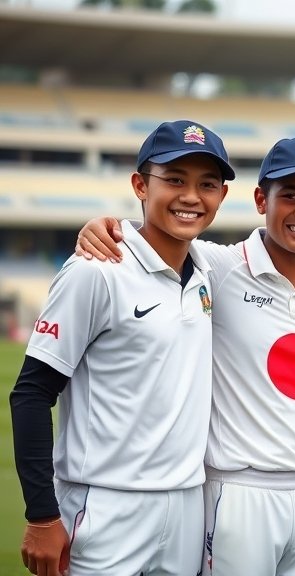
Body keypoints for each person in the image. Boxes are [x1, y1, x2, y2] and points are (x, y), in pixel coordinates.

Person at [74, 136, 295, 575]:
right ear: (261, 199)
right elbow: (157, 237)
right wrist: (107, 226)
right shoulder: (215, 266)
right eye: (289, 195)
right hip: (237, 491)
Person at [10, 120, 233, 576]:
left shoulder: (209, 268)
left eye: (207, 184)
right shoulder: (96, 268)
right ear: (139, 184)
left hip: (188, 505)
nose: (191, 196)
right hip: (105, 505)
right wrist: (42, 515)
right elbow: (31, 395)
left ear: (221, 197)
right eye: (174, 180)